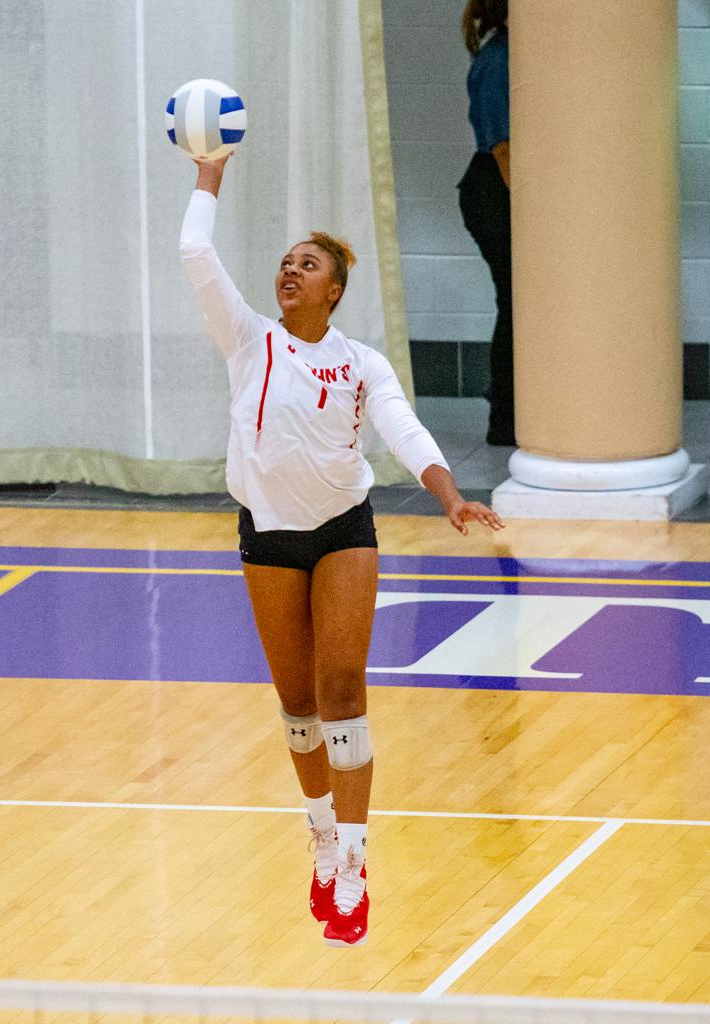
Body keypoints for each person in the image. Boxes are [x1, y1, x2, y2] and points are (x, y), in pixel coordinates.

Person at [180, 154, 505, 946]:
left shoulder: (362, 363)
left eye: (309, 264)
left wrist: (448, 493)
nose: (292, 270)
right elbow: (195, 253)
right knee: (297, 706)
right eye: (287, 262)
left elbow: (402, 430)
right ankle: (321, 835)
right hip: (267, 537)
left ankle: (354, 866)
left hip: (342, 534)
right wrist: (208, 171)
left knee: (342, 691)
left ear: (334, 290)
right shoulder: (247, 338)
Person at [458, 0, 514, 446]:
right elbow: (504, 149)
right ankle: (505, 419)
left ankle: (509, 413)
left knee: (518, 305)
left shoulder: (506, 51)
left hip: (496, 189)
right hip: (495, 191)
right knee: (518, 305)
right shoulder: (500, 58)